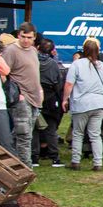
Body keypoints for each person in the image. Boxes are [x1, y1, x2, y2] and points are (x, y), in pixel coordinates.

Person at [63, 38, 103, 171]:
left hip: (81, 104)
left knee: (78, 133)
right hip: (99, 104)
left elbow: (69, 84)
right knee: (95, 134)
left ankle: (76, 161)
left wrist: (65, 99)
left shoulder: (77, 64)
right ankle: (98, 162)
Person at [1, 22, 42, 167]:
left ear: (34, 38)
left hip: (35, 97)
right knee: (24, 135)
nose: (25, 40)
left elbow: (35, 73)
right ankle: (26, 167)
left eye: (29, 37)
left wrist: (40, 91)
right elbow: (2, 72)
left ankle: (7, 159)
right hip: (21, 97)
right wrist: (14, 93)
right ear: (18, 35)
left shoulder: (32, 50)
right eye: (23, 36)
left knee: (21, 133)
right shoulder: (11, 50)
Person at [33, 38, 65, 167]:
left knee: (34, 128)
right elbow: (58, 82)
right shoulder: (53, 64)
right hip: (50, 98)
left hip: (35, 95)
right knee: (51, 129)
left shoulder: (33, 61)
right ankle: (54, 157)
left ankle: (34, 157)